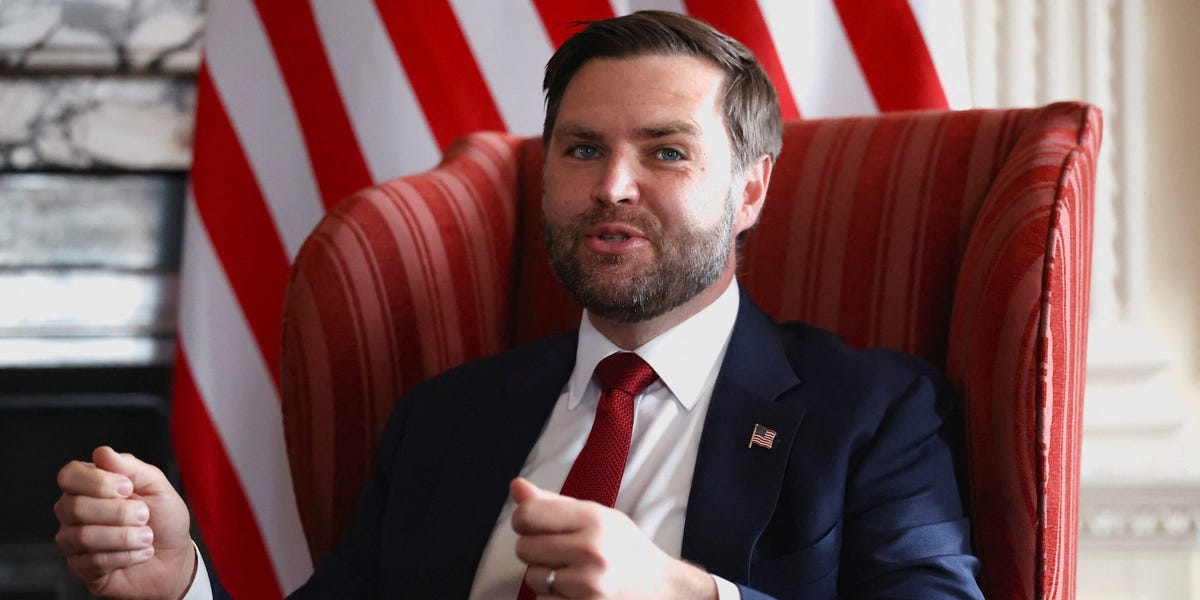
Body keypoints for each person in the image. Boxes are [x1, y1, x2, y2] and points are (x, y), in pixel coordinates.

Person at [54, 11, 983, 599]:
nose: (611, 186)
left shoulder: (873, 410)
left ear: (749, 191)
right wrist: (178, 584)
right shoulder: (446, 419)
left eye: (665, 151)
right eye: (582, 150)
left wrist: (684, 596)